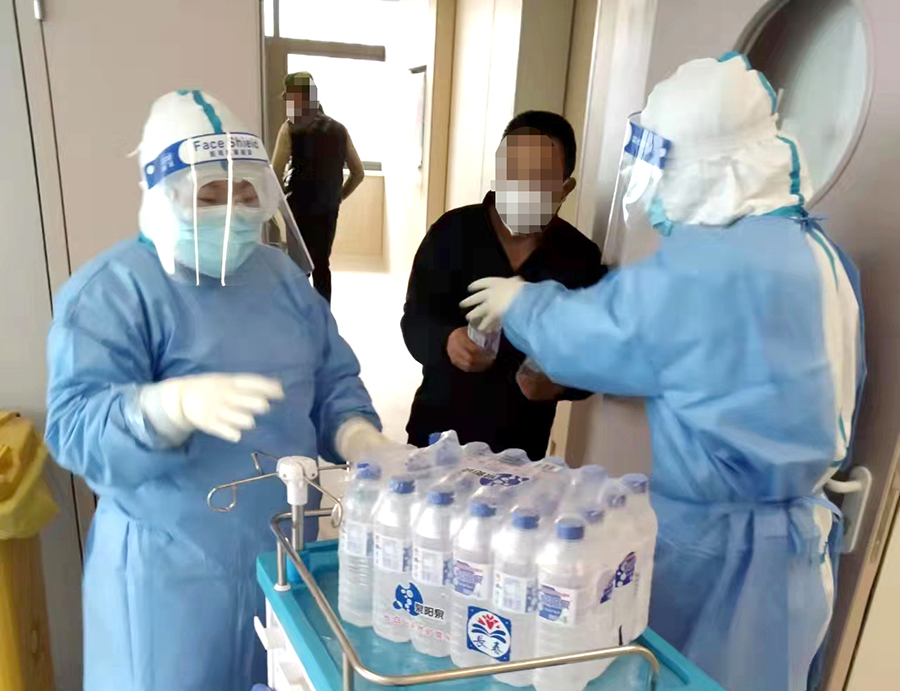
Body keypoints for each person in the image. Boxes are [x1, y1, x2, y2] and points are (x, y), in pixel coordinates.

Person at [462, 55, 865, 691]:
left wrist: (523, 304)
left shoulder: (711, 270)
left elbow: (605, 330)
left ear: (701, 166)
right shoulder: (819, 252)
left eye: (662, 167)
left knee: (685, 676)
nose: (654, 190)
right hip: (796, 552)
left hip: (721, 557)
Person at [44, 89, 398, 691]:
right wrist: (162, 409)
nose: (232, 211)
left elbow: (330, 378)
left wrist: (359, 436)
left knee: (282, 672)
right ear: (163, 195)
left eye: (246, 194)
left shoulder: (282, 278)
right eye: (210, 195)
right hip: (168, 577)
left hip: (283, 552)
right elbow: (75, 426)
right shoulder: (113, 290)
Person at [402, 111, 605, 460]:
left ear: (565, 188)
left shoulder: (578, 258)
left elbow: (595, 355)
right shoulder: (452, 233)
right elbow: (415, 320)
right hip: (440, 430)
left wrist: (559, 384)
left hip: (520, 444)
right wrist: (448, 341)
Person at [271, 71, 365, 302]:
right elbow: (358, 173)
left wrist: (281, 203)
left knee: (298, 266)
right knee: (322, 265)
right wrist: (338, 197)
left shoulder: (290, 128)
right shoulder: (340, 129)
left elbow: (274, 174)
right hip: (327, 209)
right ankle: (324, 315)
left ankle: (300, 315)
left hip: (298, 209)